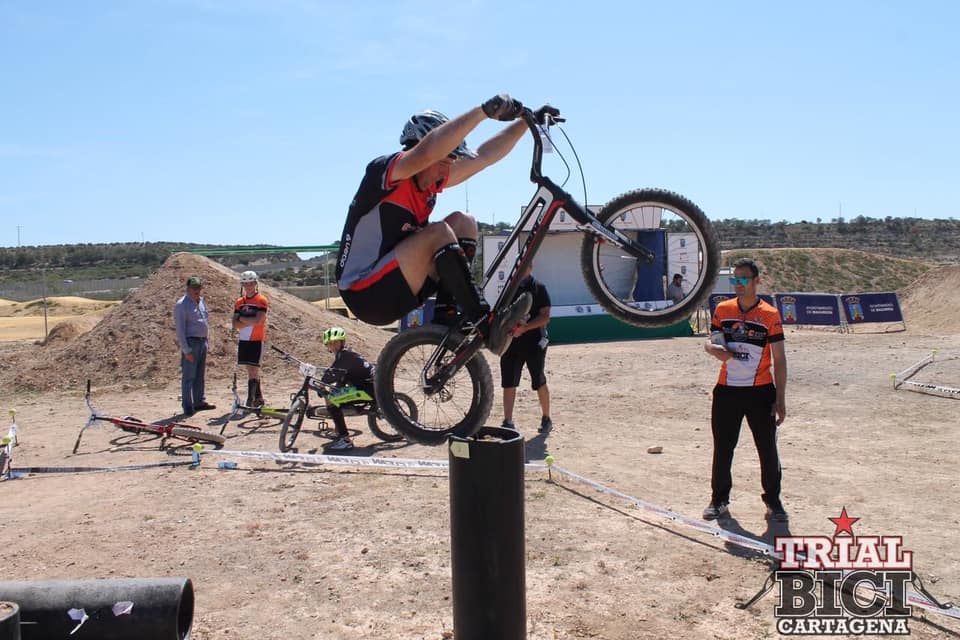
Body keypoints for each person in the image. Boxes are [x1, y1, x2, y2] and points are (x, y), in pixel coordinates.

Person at [335, 94, 535, 357]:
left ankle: (448, 318)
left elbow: (483, 157)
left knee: (465, 222)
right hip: (364, 293)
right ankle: (483, 321)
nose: (445, 172)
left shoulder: (430, 184)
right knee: (438, 232)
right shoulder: (385, 172)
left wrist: (527, 123)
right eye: (443, 163)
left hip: (400, 283)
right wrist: (483, 112)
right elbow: (428, 151)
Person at [702, 257, 788, 523]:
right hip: (726, 391)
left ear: (756, 281)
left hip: (761, 392)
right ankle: (718, 500)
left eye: (743, 279)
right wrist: (711, 349)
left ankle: (773, 501)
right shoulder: (722, 309)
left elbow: (780, 359)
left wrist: (781, 399)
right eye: (734, 279)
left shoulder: (770, 315)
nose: (738, 284)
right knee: (723, 447)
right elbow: (712, 343)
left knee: (767, 450)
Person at [500, 263, 553, 434]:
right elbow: (502, 312)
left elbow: (545, 317)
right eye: (518, 266)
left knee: (538, 381)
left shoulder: (539, 288)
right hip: (511, 342)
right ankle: (507, 421)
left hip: (534, 343)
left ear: (530, 267)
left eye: (524, 266)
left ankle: (546, 418)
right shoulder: (509, 288)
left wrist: (525, 327)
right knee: (508, 382)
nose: (520, 269)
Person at [319, 326, 376, 452]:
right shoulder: (345, 354)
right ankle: (338, 429)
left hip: (368, 389)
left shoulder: (345, 356)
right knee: (333, 395)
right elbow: (340, 379)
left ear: (342, 341)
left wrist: (322, 384)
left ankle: (345, 440)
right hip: (366, 387)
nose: (332, 346)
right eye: (329, 344)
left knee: (332, 399)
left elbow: (332, 374)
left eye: (335, 342)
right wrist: (331, 389)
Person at [173, 276, 215, 416]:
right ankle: (187, 405)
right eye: (194, 288)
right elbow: (180, 330)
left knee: (199, 375)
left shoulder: (201, 302)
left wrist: (206, 341)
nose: (197, 290)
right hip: (191, 343)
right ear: (188, 288)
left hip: (202, 342)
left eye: (198, 288)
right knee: (189, 376)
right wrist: (186, 350)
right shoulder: (181, 305)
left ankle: (199, 401)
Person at [233, 270, 269, 408]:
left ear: (255, 283)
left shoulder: (261, 300)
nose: (248, 286)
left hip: (256, 339)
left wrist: (242, 319)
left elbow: (259, 320)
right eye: (245, 283)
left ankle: (250, 400)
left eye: (251, 283)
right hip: (244, 340)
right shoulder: (239, 302)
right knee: (251, 370)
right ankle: (259, 399)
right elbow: (235, 324)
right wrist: (249, 320)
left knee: (254, 370)